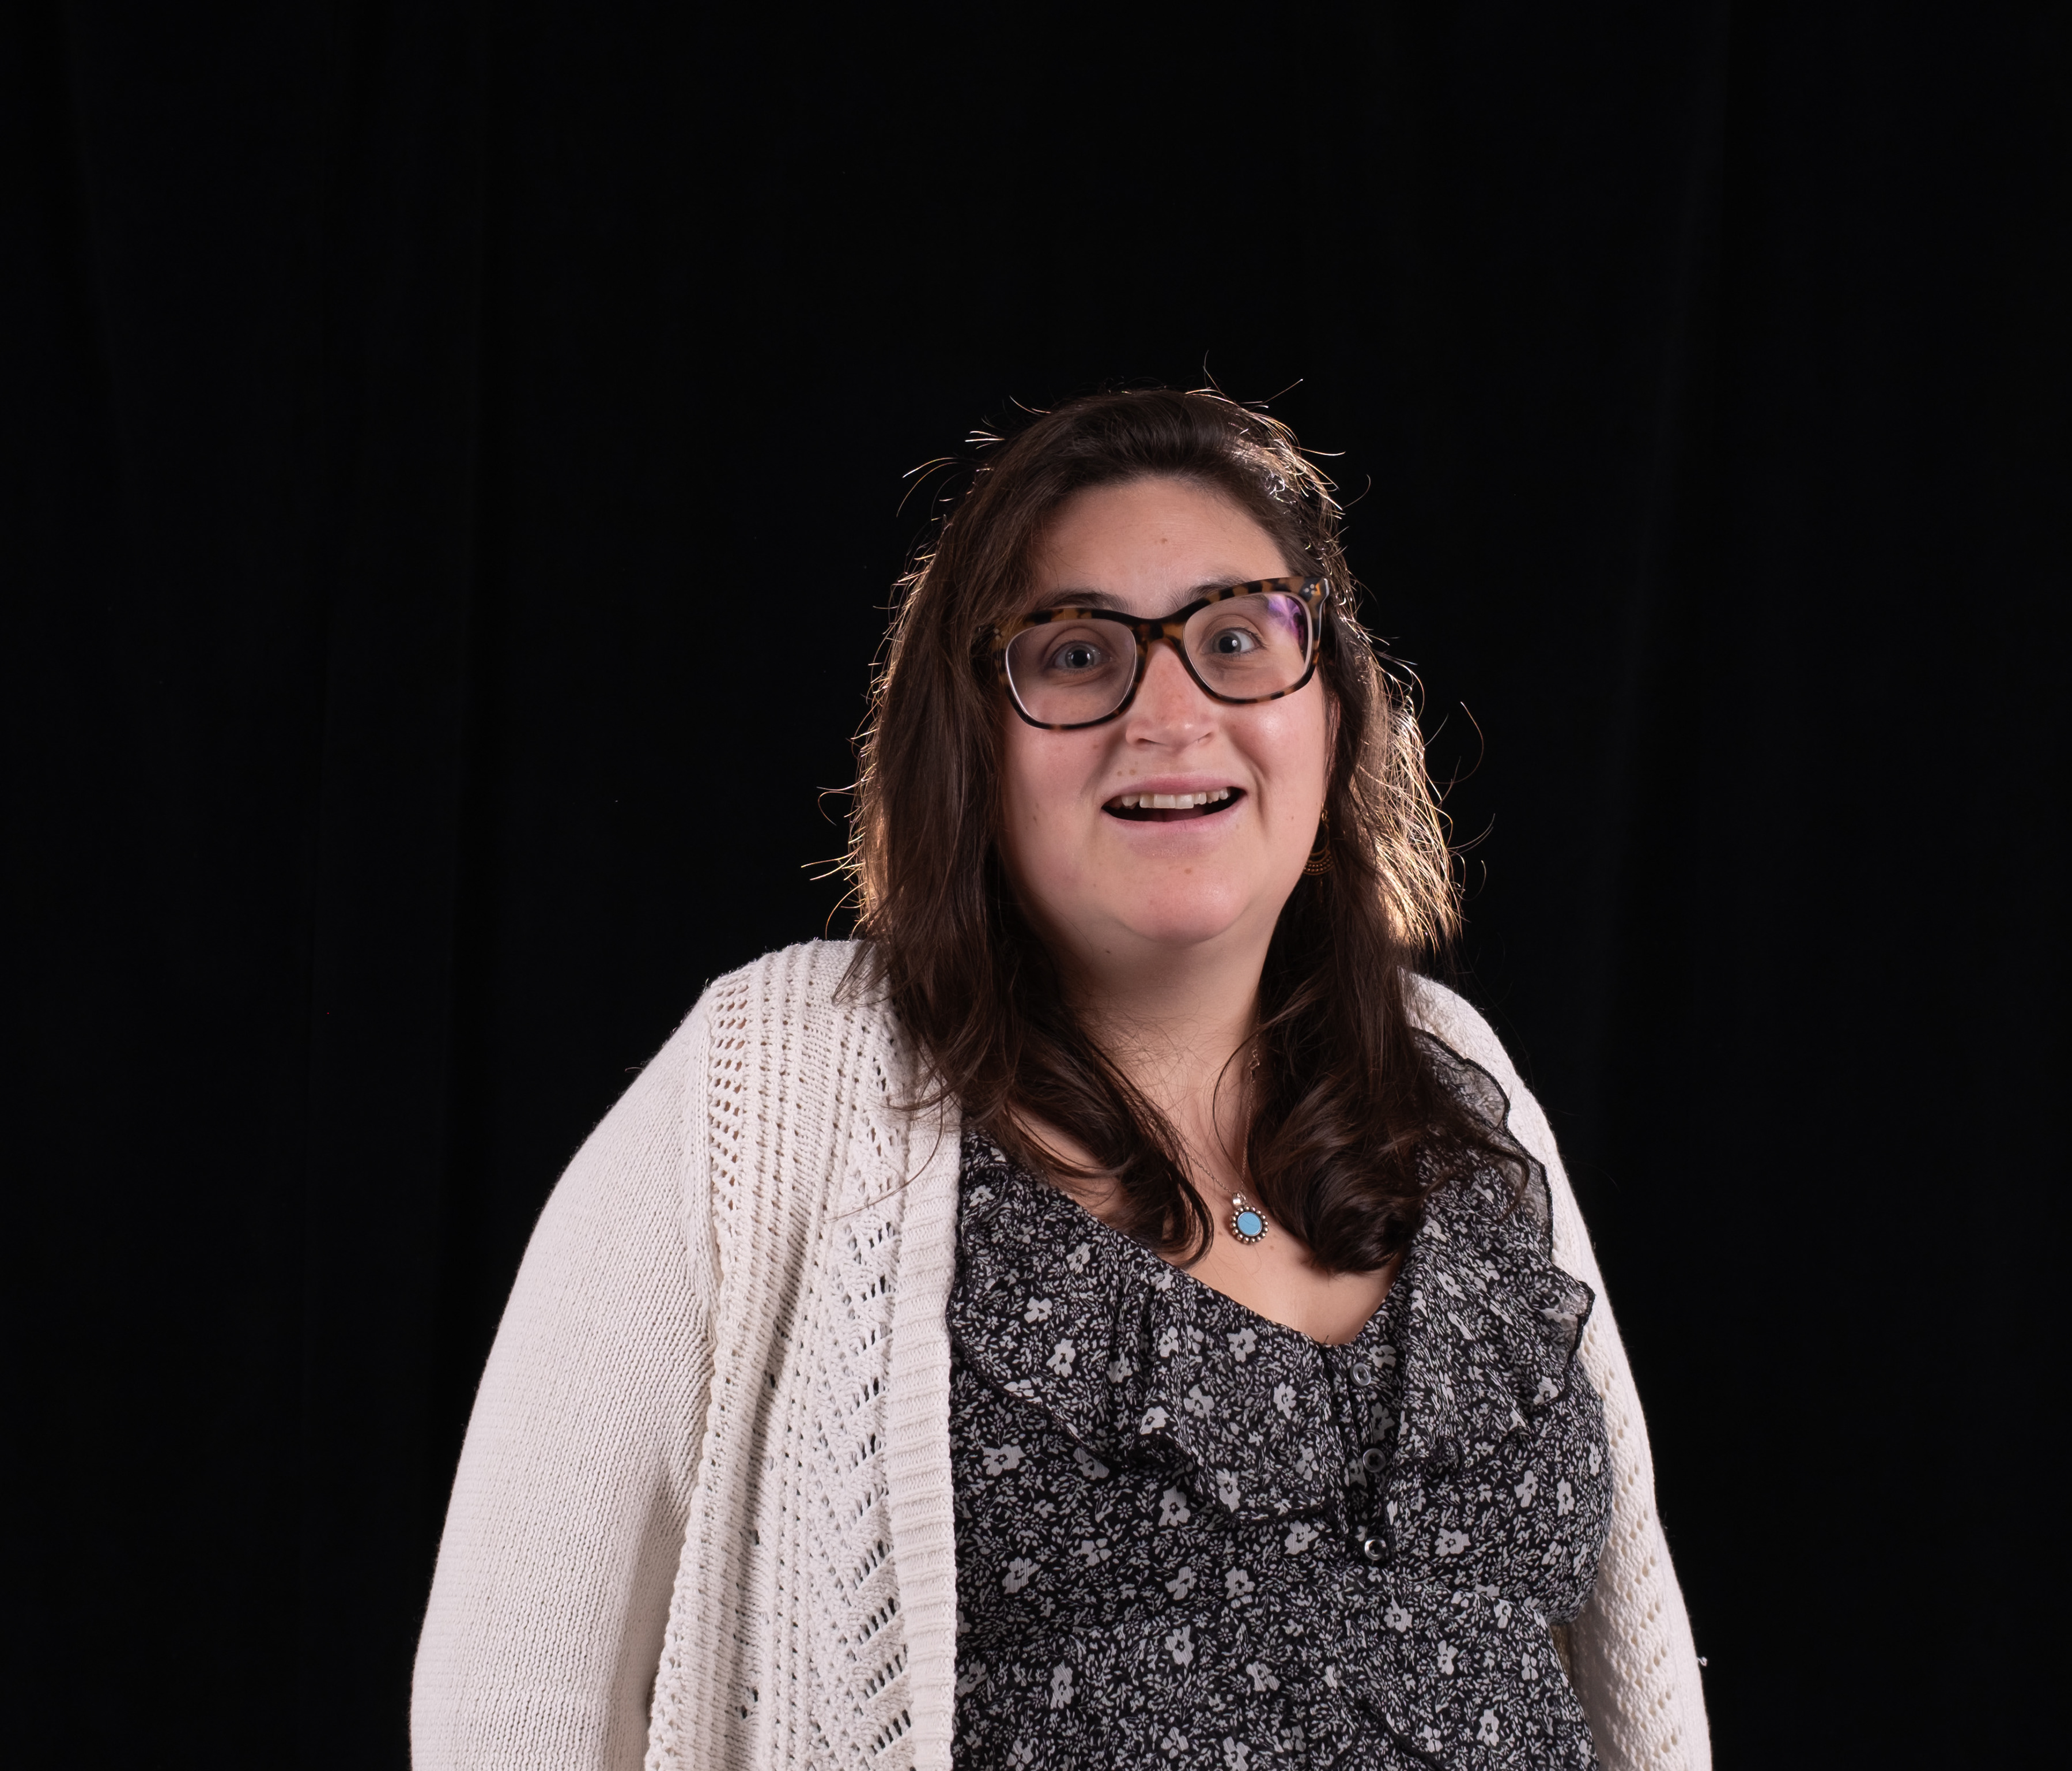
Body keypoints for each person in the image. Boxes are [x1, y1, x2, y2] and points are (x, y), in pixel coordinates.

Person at [412, 389, 1711, 1770]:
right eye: (1080, 655)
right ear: (970, 744)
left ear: (1331, 713)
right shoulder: (771, 1085)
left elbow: (1629, 1669)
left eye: (1236, 638)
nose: (1172, 713)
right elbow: (511, 1711)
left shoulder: (1444, 1070)